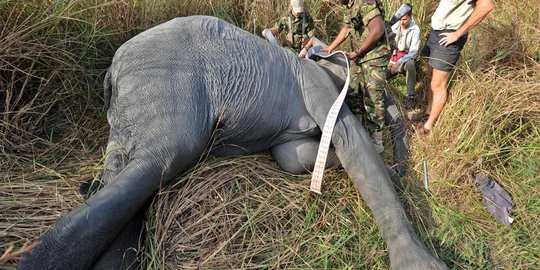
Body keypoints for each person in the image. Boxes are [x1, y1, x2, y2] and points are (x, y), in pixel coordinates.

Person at [417, 0, 494, 135]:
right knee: (430, 73)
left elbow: (486, 5)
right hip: (436, 30)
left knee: (438, 84)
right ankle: (428, 111)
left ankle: (428, 127)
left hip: (450, 33)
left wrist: (458, 33)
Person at [322, 0, 389, 153]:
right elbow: (346, 29)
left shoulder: (365, 3)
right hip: (359, 55)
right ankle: (358, 132)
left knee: (372, 95)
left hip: (374, 55)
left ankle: (377, 142)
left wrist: (357, 53)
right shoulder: (350, 6)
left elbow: (377, 30)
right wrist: (331, 48)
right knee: (353, 91)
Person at [388, 3, 420, 110]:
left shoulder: (415, 29)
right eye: (401, 19)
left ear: (410, 16)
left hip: (403, 60)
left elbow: (413, 52)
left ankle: (411, 97)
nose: (402, 22)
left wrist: (399, 63)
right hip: (392, 58)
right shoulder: (395, 25)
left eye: (405, 19)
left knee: (410, 64)